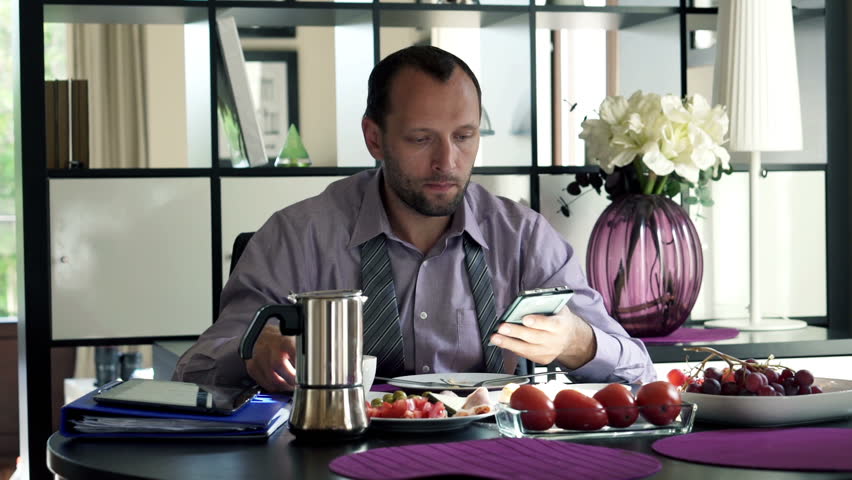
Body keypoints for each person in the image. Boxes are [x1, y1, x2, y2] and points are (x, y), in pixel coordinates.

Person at [174, 45, 656, 392]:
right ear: (375, 138)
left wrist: (579, 341)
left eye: (464, 136)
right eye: (421, 139)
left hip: (492, 458)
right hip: (333, 459)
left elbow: (639, 370)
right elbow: (194, 369)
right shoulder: (299, 235)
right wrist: (253, 350)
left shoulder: (524, 237)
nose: (448, 160)